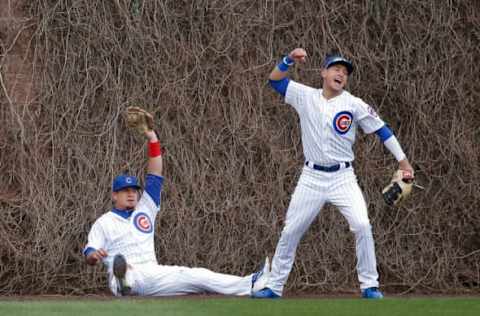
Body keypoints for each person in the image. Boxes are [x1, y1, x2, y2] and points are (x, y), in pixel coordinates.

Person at [251, 48, 414, 299]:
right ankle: (274, 286)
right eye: (336, 68)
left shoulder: (354, 104)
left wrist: (404, 163)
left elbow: (382, 129)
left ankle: (370, 286)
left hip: (343, 177)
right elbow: (275, 81)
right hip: (312, 177)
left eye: (345, 71)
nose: (341, 73)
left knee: (361, 224)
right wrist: (288, 60)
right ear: (323, 73)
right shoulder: (305, 95)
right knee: (291, 230)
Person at [83, 115, 269, 296]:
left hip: (153, 274)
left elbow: (155, 175)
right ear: (115, 195)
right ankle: (125, 282)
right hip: (126, 275)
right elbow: (90, 253)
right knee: (123, 267)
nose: (131, 194)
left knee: (197, 275)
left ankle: (251, 284)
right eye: (125, 191)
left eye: (134, 190)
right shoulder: (104, 222)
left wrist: (153, 138)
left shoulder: (145, 209)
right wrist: (94, 256)